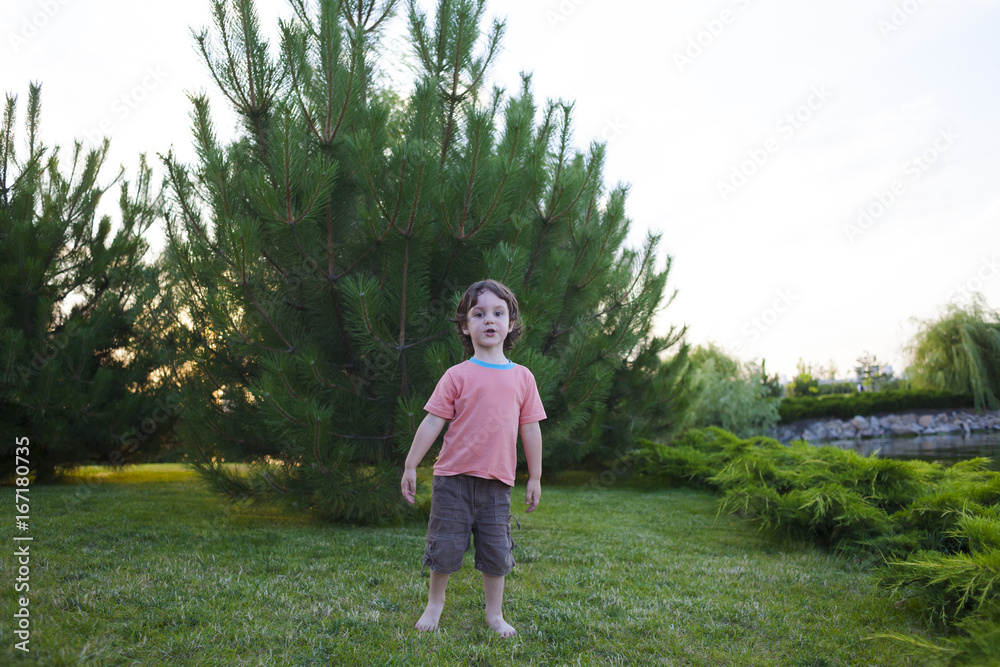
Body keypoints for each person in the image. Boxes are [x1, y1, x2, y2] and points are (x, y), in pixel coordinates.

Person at [400, 279, 546, 637]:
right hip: (452, 481)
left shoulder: (523, 378)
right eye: (479, 314)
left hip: (497, 484)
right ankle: (435, 605)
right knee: (445, 546)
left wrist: (536, 476)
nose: (489, 320)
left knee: (497, 552)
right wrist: (410, 464)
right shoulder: (457, 375)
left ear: (511, 323)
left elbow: (530, 429)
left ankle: (494, 614)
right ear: (466, 326)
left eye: (498, 313)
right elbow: (433, 420)